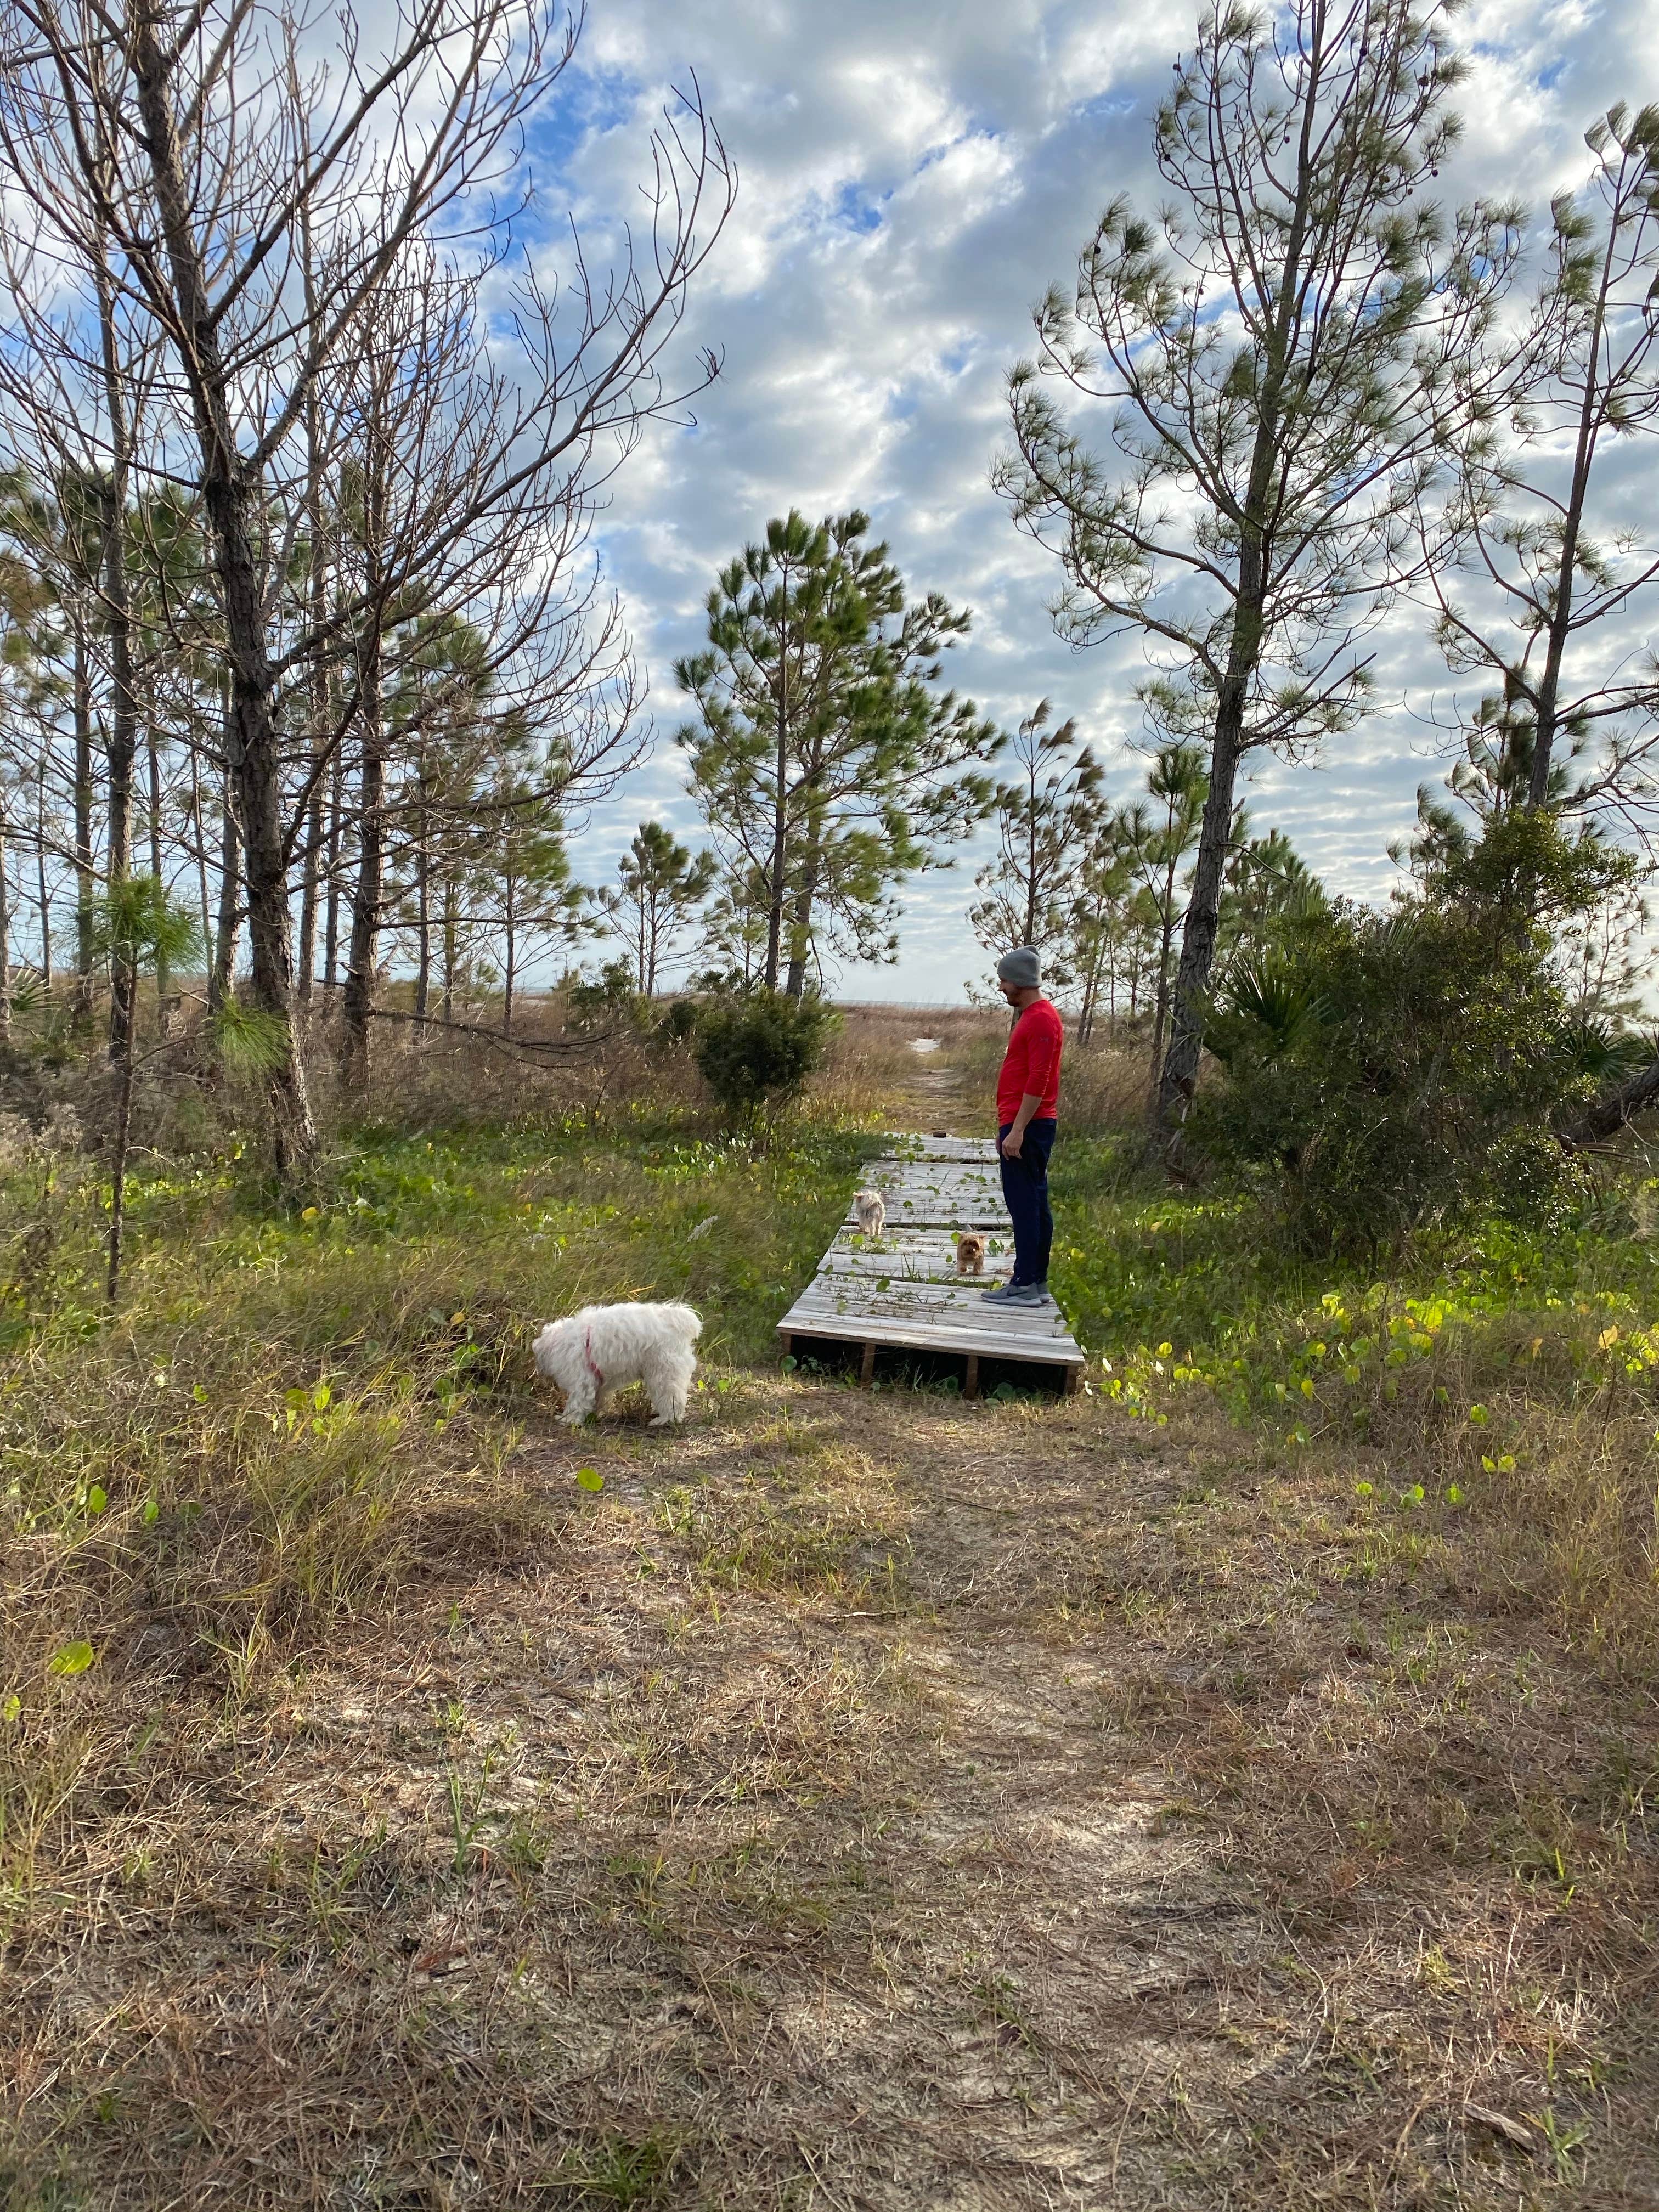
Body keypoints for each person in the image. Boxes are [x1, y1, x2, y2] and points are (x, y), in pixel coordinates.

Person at [982, 945, 1062, 1306]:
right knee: (1034, 1202)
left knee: (1025, 1205)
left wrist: (1017, 1130)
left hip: (1027, 1125)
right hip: (1026, 1123)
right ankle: (1037, 1283)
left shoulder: (1042, 1018)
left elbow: (1040, 1079)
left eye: (1004, 979)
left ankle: (1025, 1284)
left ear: (1020, 981)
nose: (1001, 987)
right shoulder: (1034, 1017)